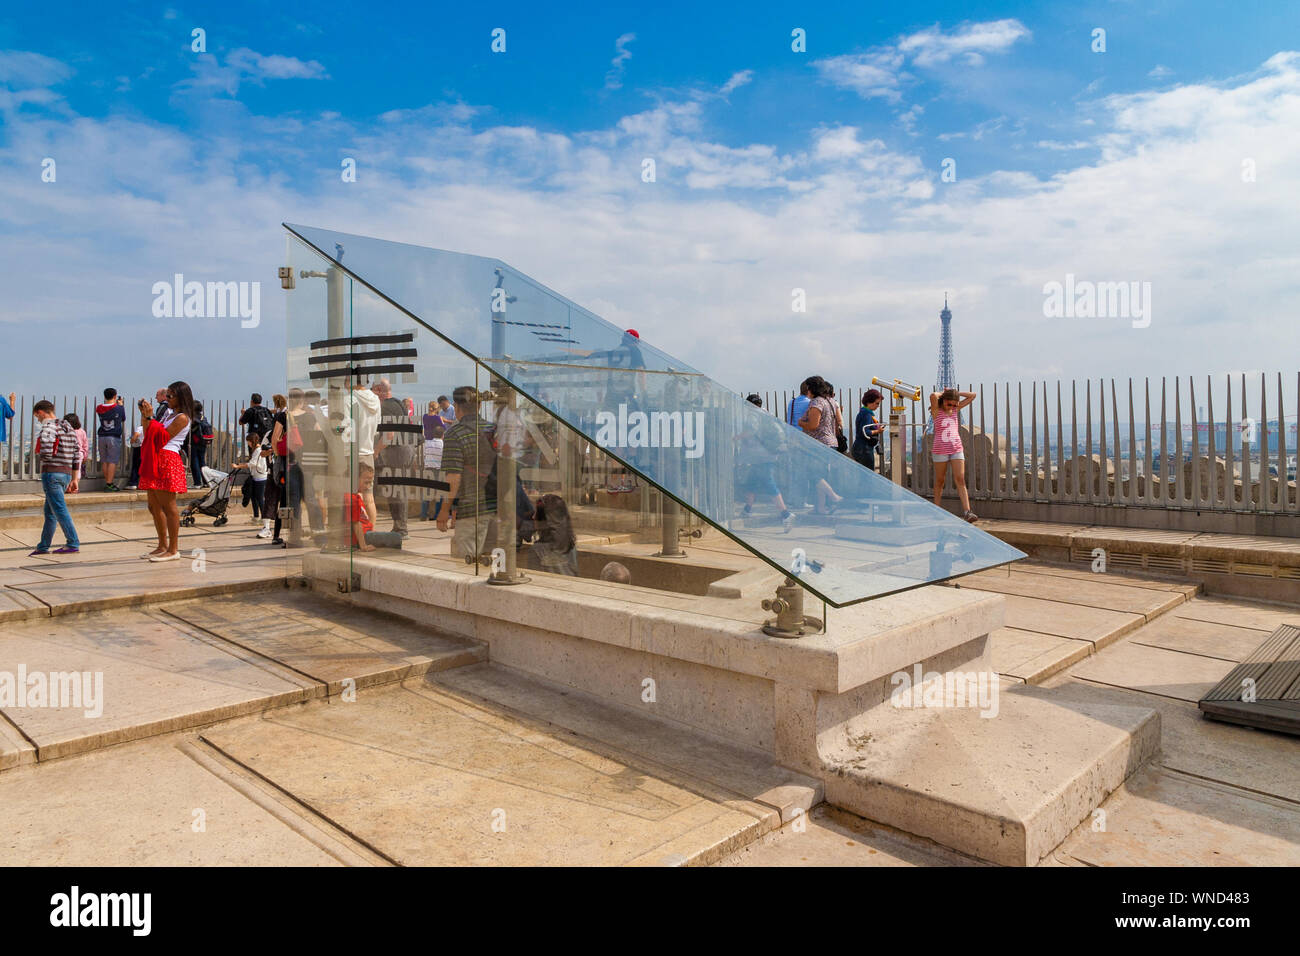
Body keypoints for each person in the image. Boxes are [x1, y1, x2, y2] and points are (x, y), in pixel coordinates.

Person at [437, 385, 498, 561]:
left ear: (455, 407)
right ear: (479, 406)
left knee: (467, 565)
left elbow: (453, 478)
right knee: (492, 566)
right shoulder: (493, 430)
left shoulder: (455, 434)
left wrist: (444, 511)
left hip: (471, 510)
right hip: (496, 508)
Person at [138, 382, 194, 561]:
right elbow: (149, 433)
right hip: (156, 458)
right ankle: (162, 545)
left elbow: (162, 437)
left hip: (168, 459)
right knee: (153, 506)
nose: (167, 399)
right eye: (167, 395)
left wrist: (150, 418)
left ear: (181, 398)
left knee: (168, 506)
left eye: (170, 396)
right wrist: (145, 417)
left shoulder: (183, 418)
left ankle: (173, 549)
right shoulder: (170, 414)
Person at [736, 394, 795, 532]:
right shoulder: (766, 413)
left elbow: (751, 431)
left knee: (768, 482)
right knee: (752, 480)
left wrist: (735, 438)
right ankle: (747, 509)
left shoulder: (753, 415)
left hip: (760, 455)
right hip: (768, 454)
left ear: (748, 405)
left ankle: (786, 514)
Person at [30, 400, 82, 556]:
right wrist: (74, 478)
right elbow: (76, 453)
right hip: (66, 473)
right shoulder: (69, 427)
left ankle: (72, 542)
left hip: (51, 473)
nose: (38, 420)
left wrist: (40, 456)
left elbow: (45, 450)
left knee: (59, 510)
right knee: (50, 511)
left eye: (37, 417)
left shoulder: (48, 426)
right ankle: (43, 546)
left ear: (40, 412)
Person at [930, 387, 979, 522]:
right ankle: (936, 509)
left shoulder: (955, 410)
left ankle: (967, 512)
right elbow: (933, 395)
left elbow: (973, 395)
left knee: (960, 479)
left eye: (954, 404)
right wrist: (946, 393)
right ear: (943, 401)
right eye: (948, 403)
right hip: (940, 449)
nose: (951, 406)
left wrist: (957, 393)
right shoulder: (936, 411)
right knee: (940, 480)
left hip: (956, 448)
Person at [799, 376, 845, 514]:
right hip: (830, 442)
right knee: (821, 476)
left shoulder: (816, 402)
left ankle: (834, 497)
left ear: (811, 388)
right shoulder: (830, 401)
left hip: (819, 443)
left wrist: (801, 423)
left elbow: (813, 425)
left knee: (813, 475)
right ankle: (820, 507)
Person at [372, 379, 412, 537]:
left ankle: (401, 529)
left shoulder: (386, 406)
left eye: (373, 391)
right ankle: (398, 527)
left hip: (397, 451)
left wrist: (376, 452)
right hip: (402, 449)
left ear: (379, 390)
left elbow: (389, 435)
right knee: (394, 491)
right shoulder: (397, 403)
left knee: (397, 491)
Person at [348, 463, 403, 551]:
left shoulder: (356, 496)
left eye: (371, 482)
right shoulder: (352, 498)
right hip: (364, 537)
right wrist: (363, 546)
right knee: (396, 537)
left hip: (366, 533)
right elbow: (356, 523)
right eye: (366, 482)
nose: (369, 486)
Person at [527, 493, 578, 575]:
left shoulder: (536, 550)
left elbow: (534, 578)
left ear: (545, 520)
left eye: (537, 514)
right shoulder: (570, 545)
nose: (533, 517)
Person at [229, 431, 270, 531]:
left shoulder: (258, 450)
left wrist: (237, 466)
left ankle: (265, 520)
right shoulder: (256, 450)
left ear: (252, 441)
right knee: (254, 497)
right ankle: (256, 517)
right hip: (256, 477)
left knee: (260, 499)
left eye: (248, 442)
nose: (248, 444)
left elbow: (251, 464)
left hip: (261, 478)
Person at [94, 388, 126, 490]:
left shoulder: (99, 408)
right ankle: (109, 484)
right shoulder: (119, 408)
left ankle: (107, 482)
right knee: (112, 461)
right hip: (113, 436)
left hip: (102, 436)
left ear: (104, 396)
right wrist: (121, 405)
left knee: (104, 460)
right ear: (115, 396)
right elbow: (123, 418)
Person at [852, 390, 885, 472]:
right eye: (877, 403)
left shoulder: (864, 413)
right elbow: (865, 432)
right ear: (869, 402)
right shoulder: (866, 414)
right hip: (864, 449)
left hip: (861, 448)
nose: (878, 406)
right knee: (868, 474)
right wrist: (878, 431)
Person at [189, 402, 213, 488]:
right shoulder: (203, 418)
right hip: (203, 442)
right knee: (202, 462)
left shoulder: (193, 419)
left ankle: (197, 483)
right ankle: (206, 481)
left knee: (194, 462)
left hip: (194, 442)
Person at [63, 413, 88, 482]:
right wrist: (85, 456)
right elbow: (85, 445)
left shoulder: (66, 431)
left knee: (67, 470)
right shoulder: (82, 431)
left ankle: (68, 486)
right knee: (77, 470)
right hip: (79, 453)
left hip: (68, 453)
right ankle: (75, 485)